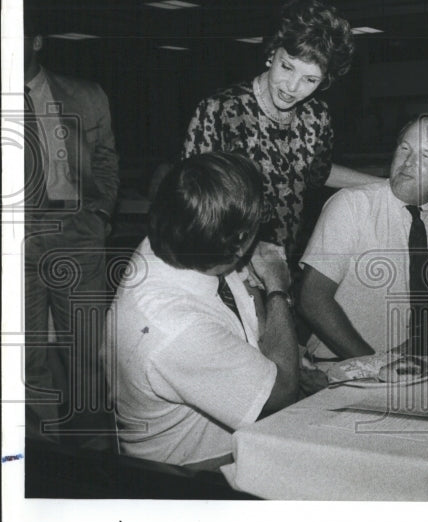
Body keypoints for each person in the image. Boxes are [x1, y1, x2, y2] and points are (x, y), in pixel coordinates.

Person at [104, 152, 298, 468]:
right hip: (194, 479)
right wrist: (277, 286)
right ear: (238, 245)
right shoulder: (179, 328)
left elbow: (254, 331)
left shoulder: (184, 237)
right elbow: (283, 391)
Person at [182, 0, 381, 274]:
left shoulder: (316, 117)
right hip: (223, 261)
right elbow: (190, 197)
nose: (292, 86)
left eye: (310, 79)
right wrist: (240, 257)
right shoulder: (220, 110)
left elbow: (318, 173)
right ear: (272, 53)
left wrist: (384, 185)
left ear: (325, 80)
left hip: (283, 262)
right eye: (287, 66)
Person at [298, 116, 428, 359]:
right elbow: (312, 299)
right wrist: (377, 365)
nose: (409, 162)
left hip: (422, 369)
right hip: (342, 368)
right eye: (405, 148)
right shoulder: (352, 205)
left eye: (426, 156)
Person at [23, 21, 119, 441]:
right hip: (15, 241)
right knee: (26, 357)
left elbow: (105, 160)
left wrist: (100, 215)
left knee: (88, 351)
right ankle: (41, 452)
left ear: (37, 41)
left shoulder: (86, 95)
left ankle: (92, 449)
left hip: (77, 235)